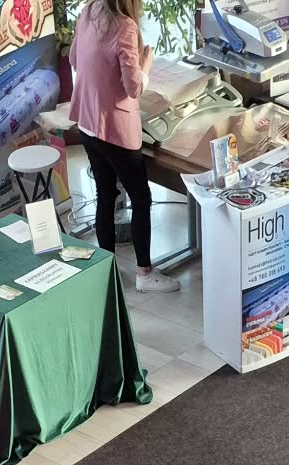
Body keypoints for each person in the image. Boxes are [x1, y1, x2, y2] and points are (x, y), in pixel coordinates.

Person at [70, 0, 178, 295]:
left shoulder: (89, 10)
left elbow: (74, 59)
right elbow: (134, 88)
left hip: (88, 124)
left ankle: (106, 270)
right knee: (141, 198)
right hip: (115, 130)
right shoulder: (125, 27)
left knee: (105, 194)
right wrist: (146, 63)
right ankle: (145, 273)